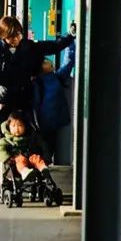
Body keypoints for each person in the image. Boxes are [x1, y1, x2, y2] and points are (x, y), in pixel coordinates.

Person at [0, 15, 74, 186]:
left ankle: (31, 170)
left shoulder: (29, 47)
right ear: (3, 37)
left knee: (31, 134)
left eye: (18, 35)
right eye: (11, 37)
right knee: (2, 137)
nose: (15, 40)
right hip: (2, 101)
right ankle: (2, 176)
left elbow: (53, 46)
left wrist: (70, 36)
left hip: (25, 99)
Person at [33, 25, 76, 163]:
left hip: (47, 121)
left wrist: (71, 42)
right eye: (45, 62)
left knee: (48, 147)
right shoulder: (46, 80)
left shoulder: (43, 80)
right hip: (51, 121)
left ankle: (44, 164)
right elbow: (68, 64)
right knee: (47, 147)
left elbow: (68, 63)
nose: (49, 62)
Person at [0, 109, 59, 197]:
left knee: (37, 158)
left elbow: (43, 145)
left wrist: (46, 156)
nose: (17, 129)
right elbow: (0, 149)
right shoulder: (6, 140)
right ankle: (25, 172)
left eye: (20, 125)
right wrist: (6, 158)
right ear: (8, 127)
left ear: (25, 127)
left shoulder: (31, 136)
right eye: (13, 126)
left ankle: (43, 168)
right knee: (21, 160)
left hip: (30, 155)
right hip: (17, 159)